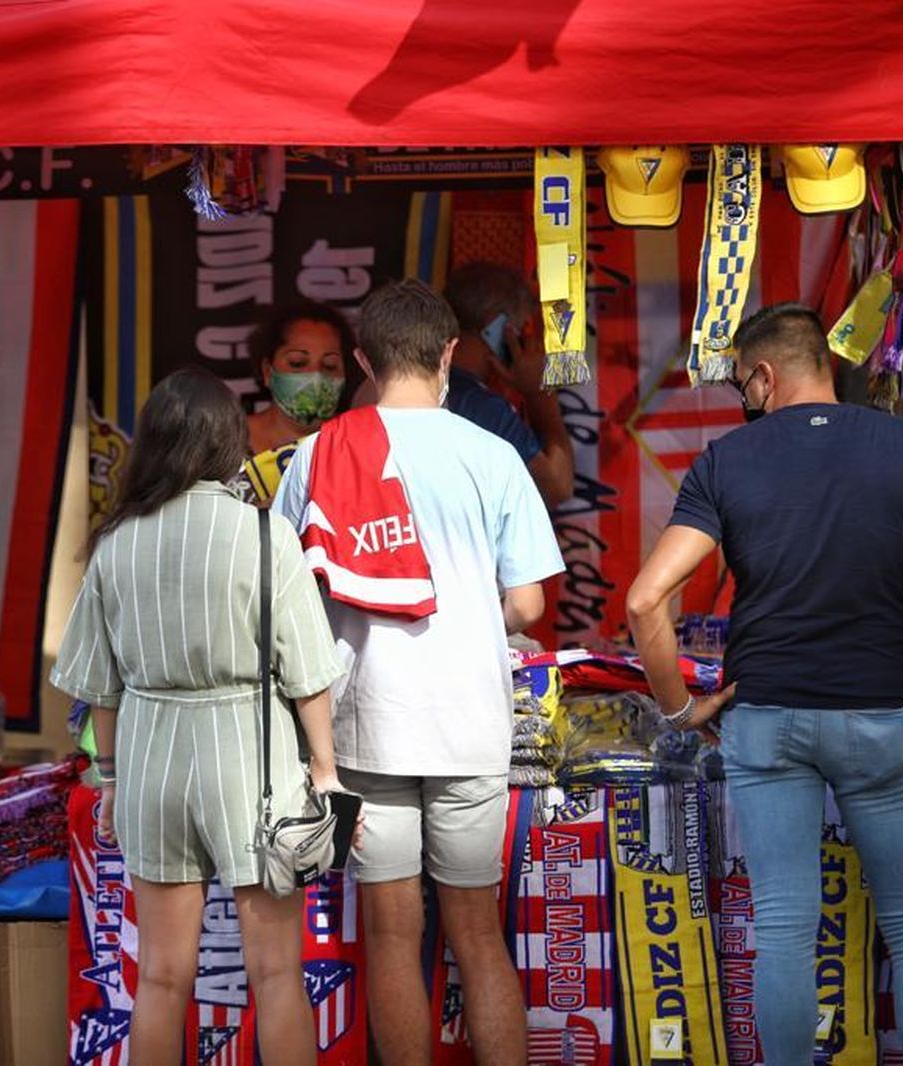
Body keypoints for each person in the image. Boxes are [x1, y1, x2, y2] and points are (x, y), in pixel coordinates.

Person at [625, 303, 903, 1066]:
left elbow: (645, 600)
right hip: (878, 713)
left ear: (766, 375)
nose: (746, 398)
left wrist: (678, 709)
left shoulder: (725, 461)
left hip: (764, 716)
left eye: (744, 384)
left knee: (781, 928)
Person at [275, 279, 565, 1065]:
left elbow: (288, 597)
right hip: (470, 726)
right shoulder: (495, 455)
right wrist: (473, 613)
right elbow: (531, 606)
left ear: (363, 361)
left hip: (366, 730)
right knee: (477, 934)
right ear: (446, 354)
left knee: (394, 938)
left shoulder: (315, 456)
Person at [51, 368, 347, 1066]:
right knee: (275, 973)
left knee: (158, 976)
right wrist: (327, 772)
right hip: (250, 757)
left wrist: (112, 778)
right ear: (228, 444)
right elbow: (307, 672)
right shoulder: (266, 537)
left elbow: (99, 686)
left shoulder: (115, 544)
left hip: (153, 758)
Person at [442, 261, 575, 506]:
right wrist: (539, 392)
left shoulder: (421, 383)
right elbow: (557, 486)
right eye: (521, 330)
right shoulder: (479, 405)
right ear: (499, 327)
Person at [246, 302, 355, 456]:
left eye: (329, 366)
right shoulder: (230, 439)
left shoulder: (356, 442)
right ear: (267, 371)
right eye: (297, 363)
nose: (315, 376)